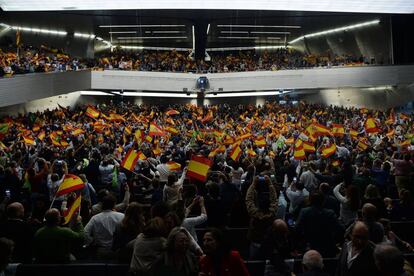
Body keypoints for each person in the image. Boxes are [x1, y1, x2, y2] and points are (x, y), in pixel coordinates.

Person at [296, 192, 344, 257]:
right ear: (323, 201)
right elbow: (340, 229)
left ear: (310, 200)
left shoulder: (304, 212)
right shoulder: (330, 213)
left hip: (310, 247)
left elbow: (297, 228)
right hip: (327, 247)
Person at [245, 175, 278, 259]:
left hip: (255, 241)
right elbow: (274, 199)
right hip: (267, 242)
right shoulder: (272, 212)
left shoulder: (254, 213)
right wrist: (270, 184)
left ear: (258, 205)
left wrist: (253, 184)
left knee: (253, 260)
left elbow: (249, 199)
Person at [84, 194, 125, 260]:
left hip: (101, 250)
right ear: (114, 204)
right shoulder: (122, 216)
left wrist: (92, 242)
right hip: (117, 250)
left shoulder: (95, 218)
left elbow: (85, 233)